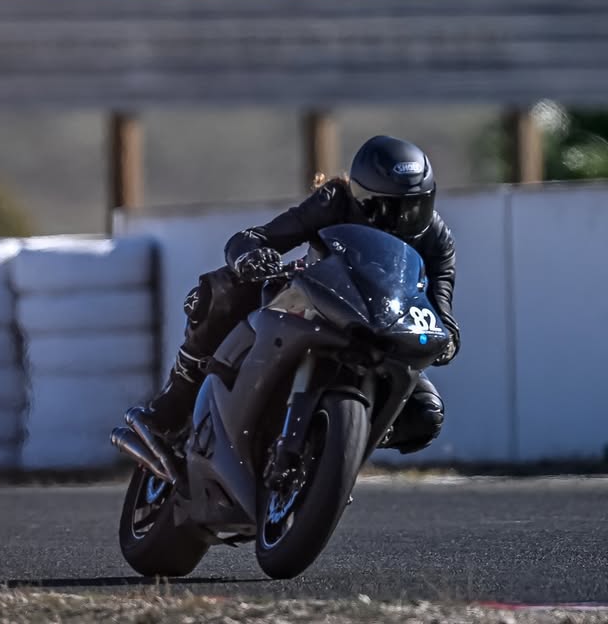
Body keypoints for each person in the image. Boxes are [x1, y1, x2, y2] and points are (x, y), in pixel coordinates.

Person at [128, 135, 461, 455]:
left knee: (426, 415)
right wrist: (250, 257)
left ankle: (341, 441)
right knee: (221, 291)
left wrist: (446, 337)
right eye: (388, 208)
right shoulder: (334, 201)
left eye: (416, 207)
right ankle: (176, 400)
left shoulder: (437, 238)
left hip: (378, 332)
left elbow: (440, 305)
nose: (403, 220)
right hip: (315, 304)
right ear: (361, 198)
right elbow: (258, 237)